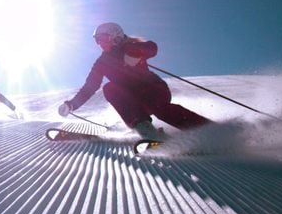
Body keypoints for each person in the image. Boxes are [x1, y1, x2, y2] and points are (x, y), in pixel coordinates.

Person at [58, 22, 210, 139]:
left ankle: (205, 130)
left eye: (104, 38)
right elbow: (90, 86)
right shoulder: (102, 62)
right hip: (134, 100)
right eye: (98, 40)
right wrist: (72, 104)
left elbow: (152, 47)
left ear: (115, 36)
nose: (101, 43)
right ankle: (147, 131)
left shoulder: (129, 46)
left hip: (154, 90)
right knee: (109, 88)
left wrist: (135, 52)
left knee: (160, 110)